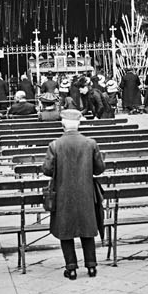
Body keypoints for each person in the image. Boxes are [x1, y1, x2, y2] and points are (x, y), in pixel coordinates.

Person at [42, 109, 107, 280]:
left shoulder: (55, 145)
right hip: (86, 193)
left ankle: (71, 268)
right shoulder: (90, 143)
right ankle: (91, 266)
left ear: (63, 125)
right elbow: (100, 169)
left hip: (64, 194)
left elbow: (47, 170)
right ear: (79, 125)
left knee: (65, 231)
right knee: (87, 229)